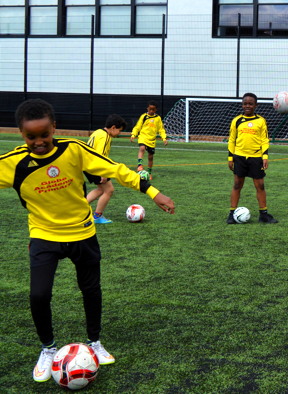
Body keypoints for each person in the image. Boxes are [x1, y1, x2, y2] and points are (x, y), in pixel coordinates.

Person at [1, 99, 175, 383]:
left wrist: (153, 192)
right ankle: (47, 349)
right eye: (31, 136)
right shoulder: (13, 163)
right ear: (22, 134)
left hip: (83, 233)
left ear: (54, 128)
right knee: (39, 294)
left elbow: (117, 169)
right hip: (44, 236)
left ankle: (94, 342)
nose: (39, 141)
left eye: (44, 134)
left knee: (90, 289)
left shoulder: (74, 150)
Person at [226, 93, 278, 224]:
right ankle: (232, 213)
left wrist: (265, 157)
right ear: (242, 105)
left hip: (256, 158)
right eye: (245, 103)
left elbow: (264, 140)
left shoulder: (261, 121)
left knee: (260, 185)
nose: (247, 106)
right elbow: (232, 140)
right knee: (237, 184)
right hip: (239, 157)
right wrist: (230, 158)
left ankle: (264, 214)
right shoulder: (236, 120)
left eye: (250, 103)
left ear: (256, 105)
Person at [85, 114, 127, 224]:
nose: (119, 133)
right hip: (95, 166)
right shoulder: (105, 137)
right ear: (113, 127)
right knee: (109, 190)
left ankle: (79, 208)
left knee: (101, 190)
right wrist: (103, 173)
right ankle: (97, 216)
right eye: (119, 130)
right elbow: (100, 156)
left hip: (87, 165)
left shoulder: (98, 132)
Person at [130, 100, 168, 180]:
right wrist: (133, 134)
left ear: (156, 110)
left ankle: (149, 173)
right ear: (147, 108)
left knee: (150, 157)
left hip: (152, 140)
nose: (151, 111)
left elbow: (161, 129)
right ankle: (139, 165)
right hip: (143, 137)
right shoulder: (143, 116)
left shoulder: (157, 118)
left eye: (153, 109)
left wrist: (164, 138)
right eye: (150, 109)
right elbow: (138, 126)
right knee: (142, 148)